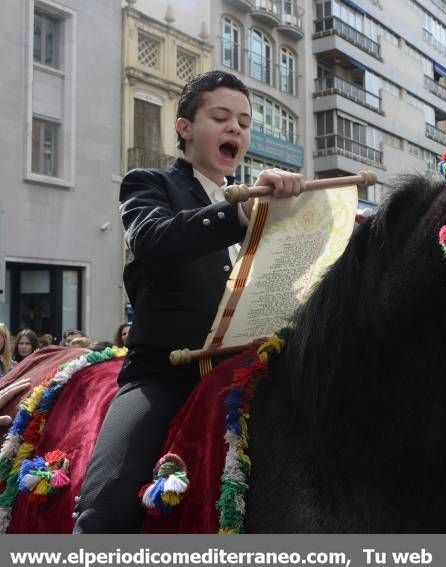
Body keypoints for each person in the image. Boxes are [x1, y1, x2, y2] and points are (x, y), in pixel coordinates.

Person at [74, 70, 305, 533]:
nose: (235, 129)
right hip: (164, 376)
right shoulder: (149, 184)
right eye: (220, 117)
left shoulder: (262, 209)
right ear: (184, 127)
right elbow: (153, 239)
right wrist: (238, 213)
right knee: (107, 509)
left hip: (247, 379)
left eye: (243, 121)